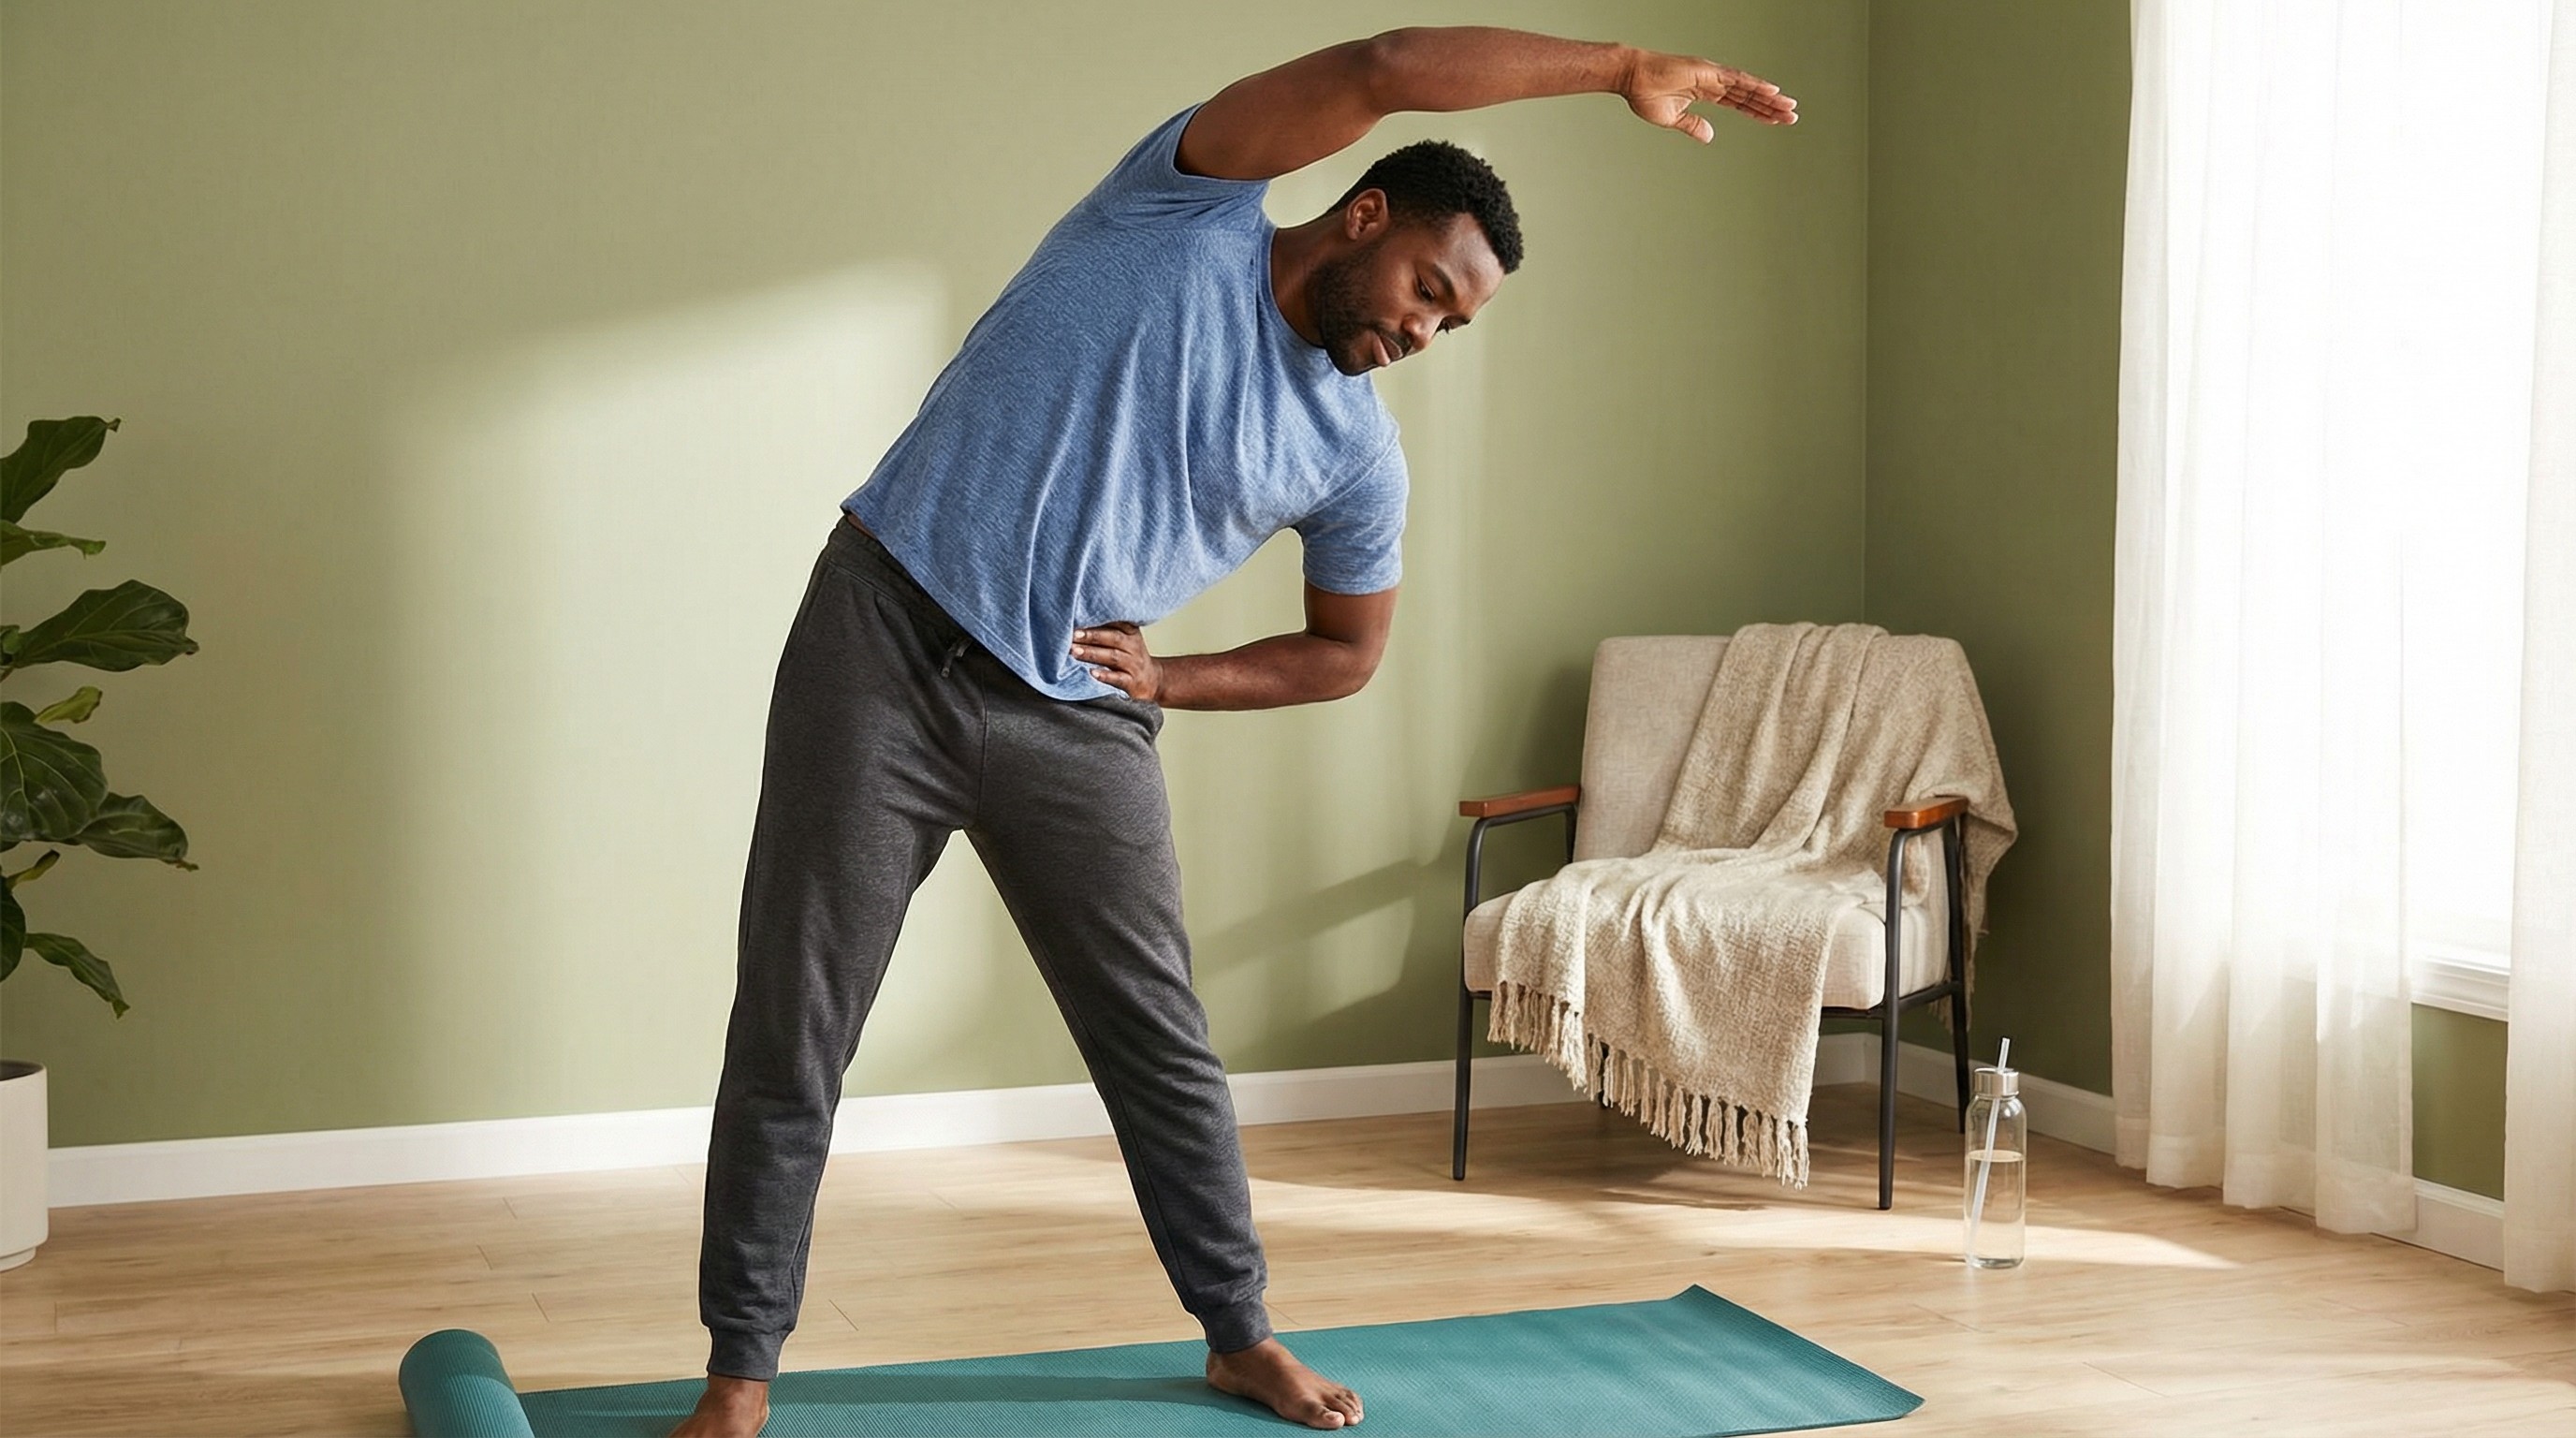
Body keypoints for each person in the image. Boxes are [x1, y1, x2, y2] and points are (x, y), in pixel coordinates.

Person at [668, 25, 1794, 1438]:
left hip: (1075, 718)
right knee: (796, 1022)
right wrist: (1614, 67)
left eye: (1453, 329)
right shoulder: (1179, 203)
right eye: (1424, 291)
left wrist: (1169, 681)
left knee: (1160, 1044)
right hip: (880, 639)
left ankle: (1237, 1333)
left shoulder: (1351, 451)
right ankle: (740, 1372)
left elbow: (1347, 652)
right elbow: (1381, 68)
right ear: (1365, 214)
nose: (1420, 334)